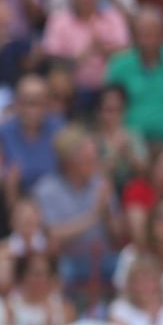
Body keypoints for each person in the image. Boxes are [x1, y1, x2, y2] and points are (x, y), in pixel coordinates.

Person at [34, 125, 124, 293]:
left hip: (104, 256)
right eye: (88, 160)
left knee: (126, 268)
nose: (95, 164)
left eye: (95, 159)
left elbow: (117, 234)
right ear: (70, 161)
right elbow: (52, 233)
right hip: (67, 258)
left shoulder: (101, 184)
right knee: (60, 270)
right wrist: (93, 214)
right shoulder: (46, 189)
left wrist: (107, 213)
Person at [40, 0, 128, 105]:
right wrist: (83, 55)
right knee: (58, 79)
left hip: (109, 84)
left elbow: (126, 53)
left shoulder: (113, 17)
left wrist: (102, 49)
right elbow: (52, 59)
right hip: (73, 86)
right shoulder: (59, 20)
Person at [105, 7, 163, 144]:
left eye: (152, 33)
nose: (147, 40)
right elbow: (108, 105)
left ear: (162, 34)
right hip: (130, 140)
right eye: (142, 34)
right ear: (134, 36)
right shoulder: (120, 66)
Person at [0, 75, 61, 193]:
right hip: (15, 199)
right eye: (25, 102)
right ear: (16, 103)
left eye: (38, 103)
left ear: (47, 103)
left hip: (54, 201)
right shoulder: (2, 132)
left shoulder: (59, 128)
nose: (31, 110)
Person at [6, 251, 77, 325]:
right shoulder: (11, 305)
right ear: (23, 276)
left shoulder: (64, 308)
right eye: (36, 274)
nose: (41, 279)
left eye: (46, 274)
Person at [106, 255, 163, 325]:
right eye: (138, 281)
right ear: (130, 285)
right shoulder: (120, 309)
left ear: (158, 282)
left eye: (149, 281)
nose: (144, 287)